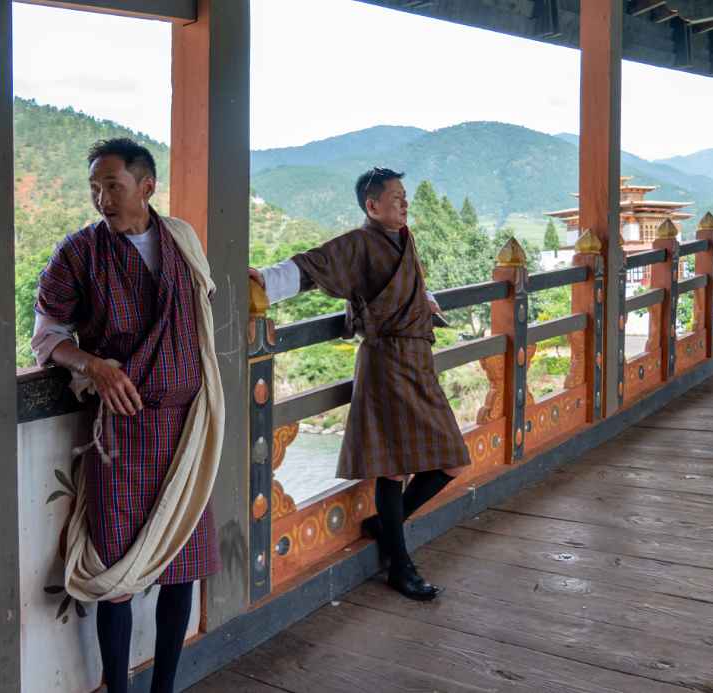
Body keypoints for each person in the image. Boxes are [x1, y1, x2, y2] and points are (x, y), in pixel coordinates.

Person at [31, 139, 224, 693]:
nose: (101, 199)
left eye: (112, 186)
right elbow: (47, 337)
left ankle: (163, 685)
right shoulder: (78, 254)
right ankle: (117, 687)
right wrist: (95, 366)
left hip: (187, 428)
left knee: (181, 565)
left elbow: (203, 321)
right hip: (124, 432)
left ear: (146, 186)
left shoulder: (181, 241)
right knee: (115, 568)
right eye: (94, 188)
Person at [248, 167, 469, 602]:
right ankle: (399, 566)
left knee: (454, 461)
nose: (405, 204)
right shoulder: (361, 242)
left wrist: (422, 299)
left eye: (406, 197)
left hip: (417, 359)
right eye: (396, 198)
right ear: (372, 206)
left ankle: (385, 525)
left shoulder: (404, 239)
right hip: (386, 360)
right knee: (394, 467)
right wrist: (266, 281)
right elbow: (314, 265)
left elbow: (406, 285)